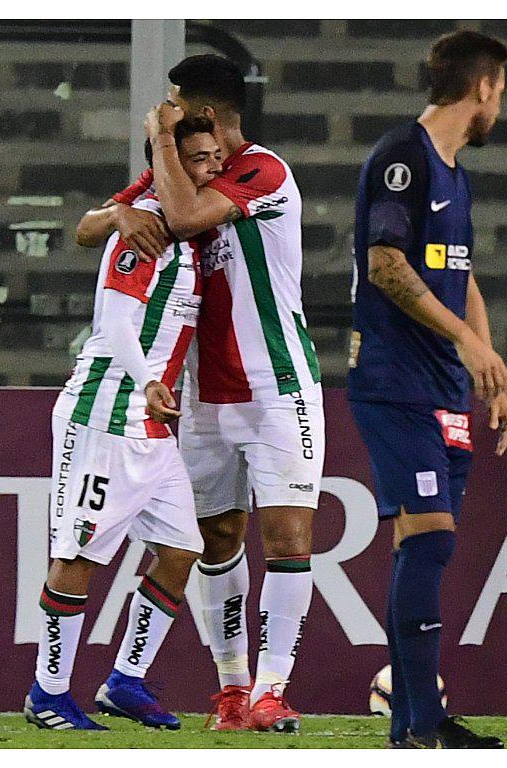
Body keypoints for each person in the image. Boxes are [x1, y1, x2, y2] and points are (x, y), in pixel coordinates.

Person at [77, 54, 323, 733]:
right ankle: (235, 690)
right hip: (203, 394)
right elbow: (88, 227)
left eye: (176, 103)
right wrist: (121, 216)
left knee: (287, 534)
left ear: (204, 112)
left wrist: (158, 148)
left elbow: (181, 220)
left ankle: (274, 688)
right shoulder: (187, 168)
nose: (168, 111)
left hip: (278, 384)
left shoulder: (263, 172)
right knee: (216, 539)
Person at [24, 117, 221, 731]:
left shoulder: (188, 226)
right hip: (106, 413)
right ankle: (47, 694)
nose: (211, 168)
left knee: (184, 548)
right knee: (80, 553)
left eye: (216, 156)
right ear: (169, 164)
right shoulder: (145, 224)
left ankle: (125, 680)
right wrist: (148, 382)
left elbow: (93, 221)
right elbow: (112, 326)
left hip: (151, 424)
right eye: (197, 159)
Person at [348, 30, 507, 749]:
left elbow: (460, 272)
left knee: (424, 544)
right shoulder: (402, 160)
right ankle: (422, 721)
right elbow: (387, 265)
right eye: (501, 91)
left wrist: (487, 365)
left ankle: (411, 724)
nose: (500, 105)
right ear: (481, 88)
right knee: (431, 541)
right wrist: (466, 341)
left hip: (445, 386)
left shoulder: (454, 172)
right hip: (395, 383)